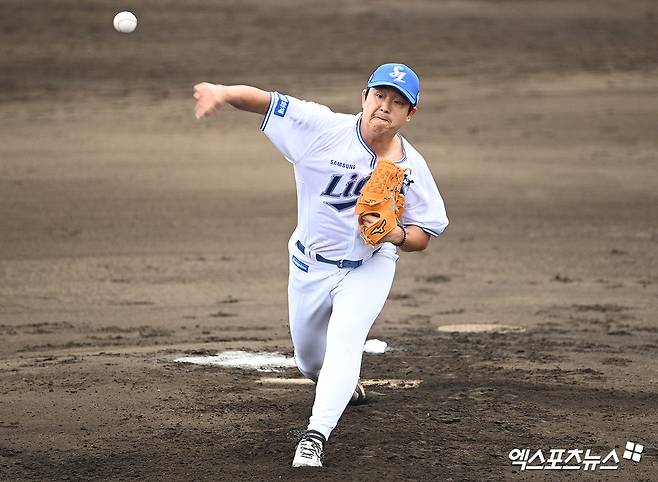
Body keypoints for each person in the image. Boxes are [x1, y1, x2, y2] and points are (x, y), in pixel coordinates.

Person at [193, 63, 448, 468]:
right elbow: (268, 102)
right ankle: (340, 386)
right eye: (380, 95)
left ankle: (315, 436)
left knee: (346, 338)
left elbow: (425, 234)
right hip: (309, 265)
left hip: (369, 266)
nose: (385, 106)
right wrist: (222, 93)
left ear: (410, 114)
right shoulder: (322, 129)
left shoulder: (410, 167)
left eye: (398, 102)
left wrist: (395, 234)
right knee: (311, 361)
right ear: (364, 96)